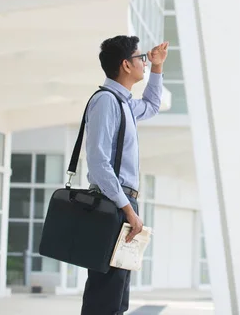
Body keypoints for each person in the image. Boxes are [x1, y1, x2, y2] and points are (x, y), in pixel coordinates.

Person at [81, 35, 168, 315]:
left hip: (122, 205)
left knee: (118, 292)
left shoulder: (124, 104)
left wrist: (157, 67)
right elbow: (98, 163)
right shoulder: (106, 101)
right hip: (114, 205)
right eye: (140, 58)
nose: (144, 61)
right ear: (125, 65)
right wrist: (128, 210)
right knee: (106, 293)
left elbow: (152, 106)